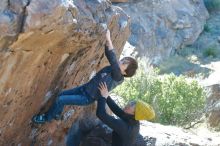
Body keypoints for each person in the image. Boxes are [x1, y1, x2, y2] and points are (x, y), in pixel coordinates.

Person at [32, 29, 138, 124]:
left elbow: (113, 60)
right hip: (85, 88)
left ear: (125, 73)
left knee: (61, 100)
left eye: (124, 64)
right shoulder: (114, 70)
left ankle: (46, 118)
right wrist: (106, 42)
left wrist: (109, 39)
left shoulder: (118, 77)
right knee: (61, 94)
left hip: (87, 97)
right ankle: (56, 114)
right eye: (123, 60)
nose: (121, 62)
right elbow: (109, 54)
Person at [96, 82, 155, 146]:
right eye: (132, 102)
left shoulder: (126, 127)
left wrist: (102, 97)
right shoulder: (132, 119)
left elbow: (101, 114)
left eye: (132, 104)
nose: (129, 103)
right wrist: (107, 96)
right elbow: (117, 110)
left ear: (134, 113)